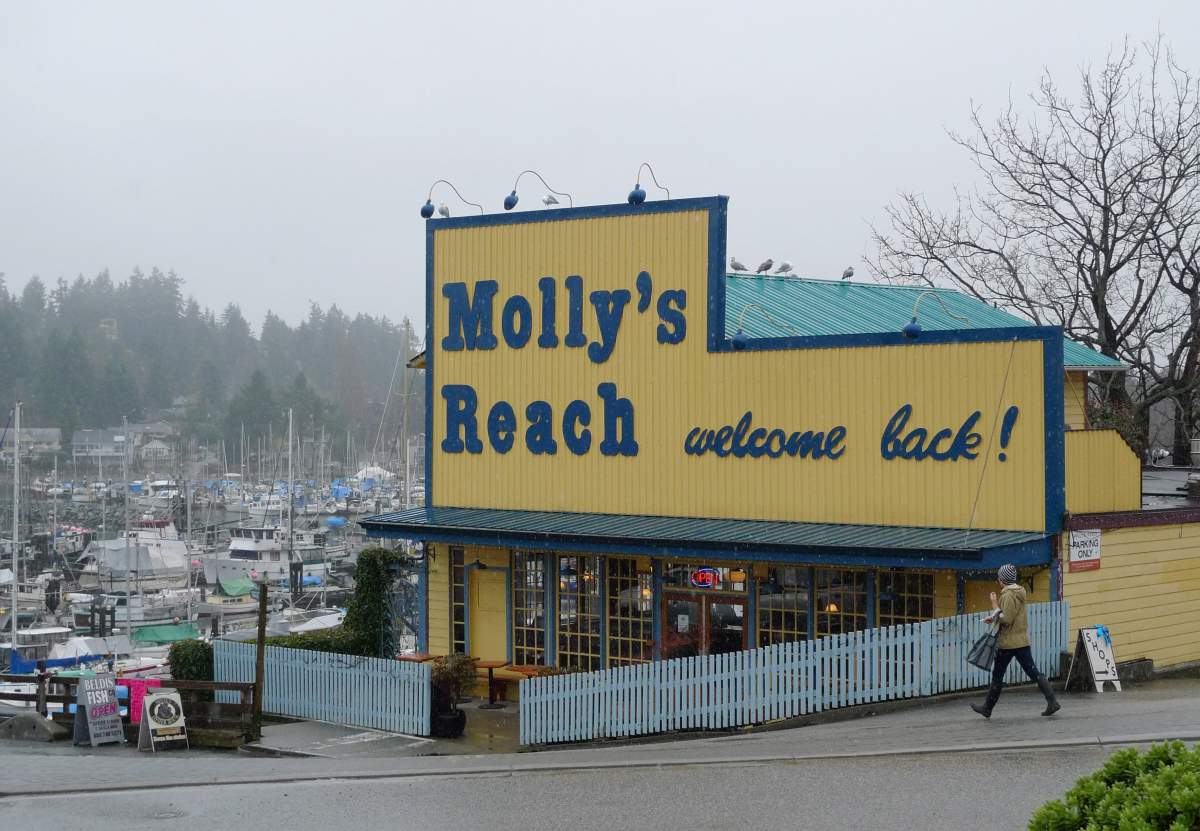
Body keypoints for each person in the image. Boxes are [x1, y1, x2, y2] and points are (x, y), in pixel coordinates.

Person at [971, 563, 1061, 718]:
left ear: (1003, 579)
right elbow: (1010, 615)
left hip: (1007, 643)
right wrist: (994, 617)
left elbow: (1007, 618)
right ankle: (1052, 701)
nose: (998, 580)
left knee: (997, 676)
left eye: (999, 577)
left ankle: (987, 708)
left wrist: (994, 604)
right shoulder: (1019, 591)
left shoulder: (1008, 595)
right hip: (1021, 640)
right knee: (1033, 672)